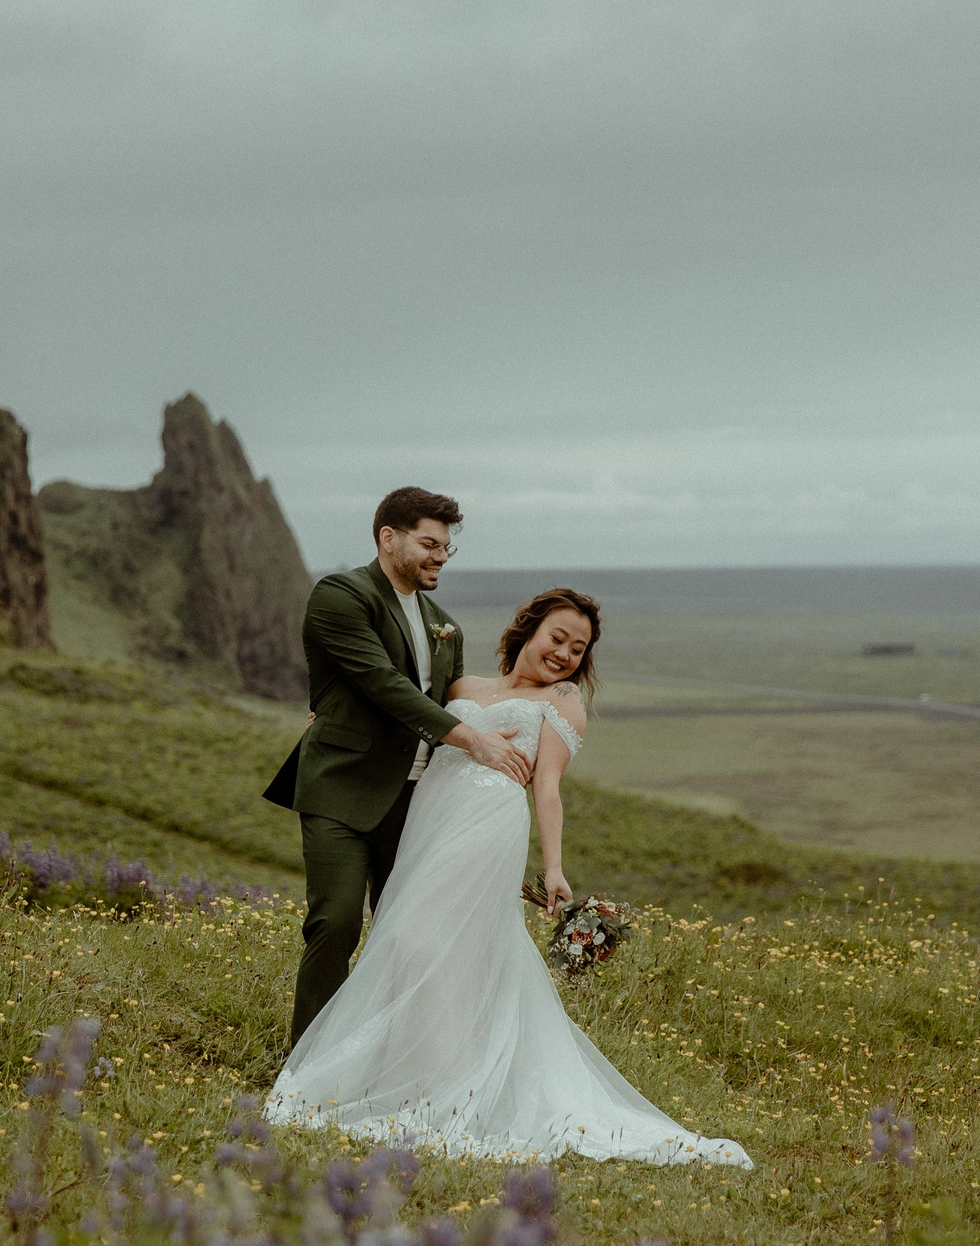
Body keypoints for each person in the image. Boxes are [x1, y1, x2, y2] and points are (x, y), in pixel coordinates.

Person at [266, 586, 751, 1168]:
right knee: (416, 946)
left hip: (487, 824)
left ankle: (443, 1090)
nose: (564, 654)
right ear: (529, 629)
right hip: (430, 821)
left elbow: (547, 787)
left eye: (578, 648)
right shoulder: (461, 689)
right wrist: (332, 713)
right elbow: (400, 713)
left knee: (418, 937)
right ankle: (410, 1072)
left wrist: (554, 867)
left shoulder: (561, 700)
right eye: (557, 638)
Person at [265, 488, 532, 1046]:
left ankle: (388, 1061)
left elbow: (457, 700)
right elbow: (380, 682)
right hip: (342, 787)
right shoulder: (342, 595)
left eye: (447, 547)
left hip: (418, 803)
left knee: (408, 937)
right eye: (430, 544)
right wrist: (473, 742)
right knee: (336, 922)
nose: (441, 556)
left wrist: (541, 705)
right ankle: (306, 1065)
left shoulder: (445, 625)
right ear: (389, 538)